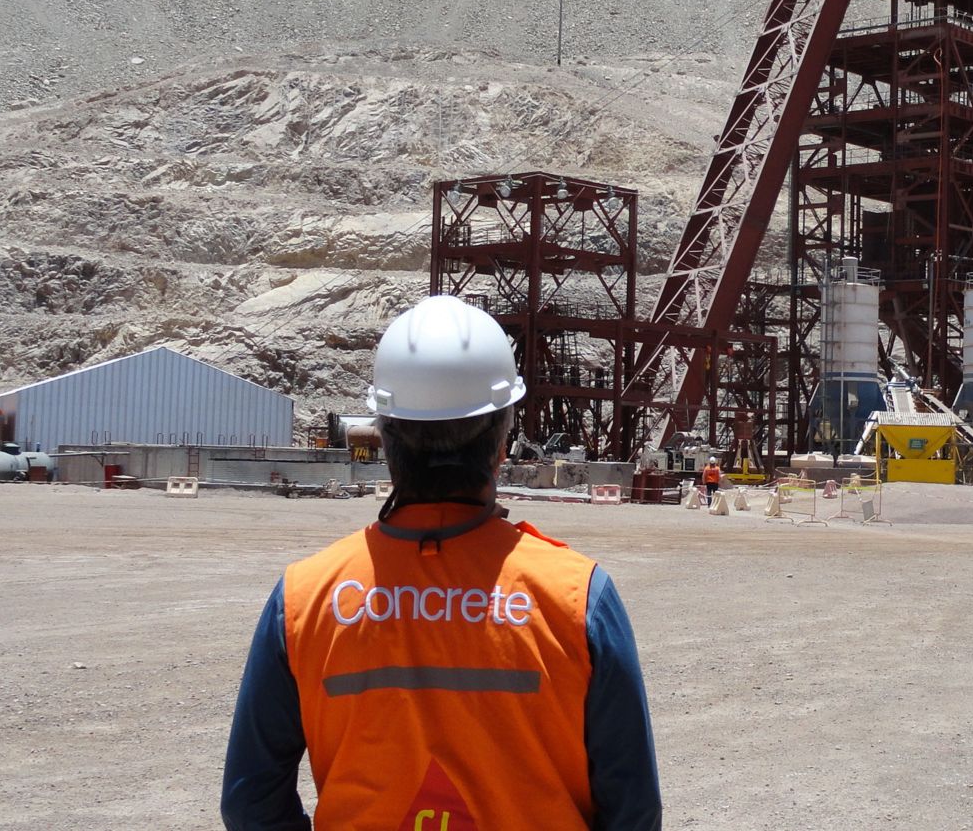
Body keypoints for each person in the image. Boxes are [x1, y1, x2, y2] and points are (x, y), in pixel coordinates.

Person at [222, 295, 661, 830]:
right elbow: (633, 811)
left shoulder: (304, 598)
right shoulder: (578, 596)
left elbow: (249, 802)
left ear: (383, 436)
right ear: (502, 440)